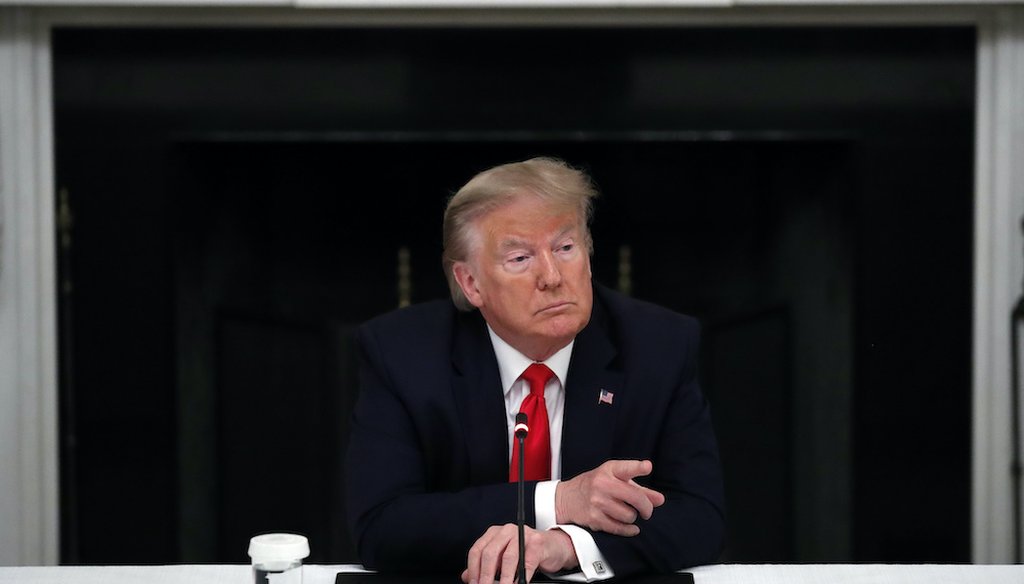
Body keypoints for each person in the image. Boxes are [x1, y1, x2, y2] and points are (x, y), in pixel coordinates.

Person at [345, 157, 724, 584]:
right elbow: (382, 525)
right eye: (521, 258)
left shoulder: (659, 345)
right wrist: (557, 502)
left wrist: (567, 545)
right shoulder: (402, 353)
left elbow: (700, 514)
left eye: (566, 248)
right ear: (471, 284)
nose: (552, 276)